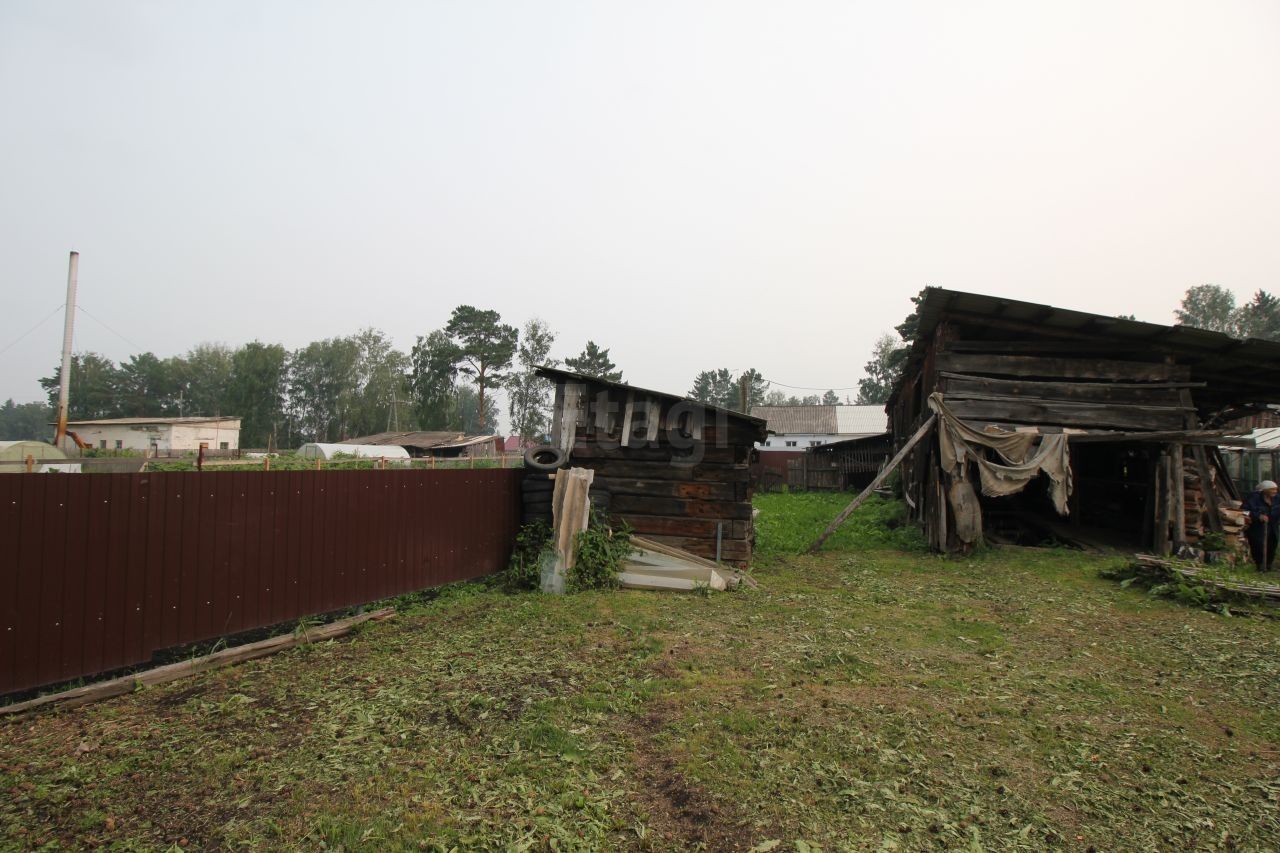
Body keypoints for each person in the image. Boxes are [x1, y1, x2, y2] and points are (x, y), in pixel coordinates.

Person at [1242, 479, 1280, 571]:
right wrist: (1258, 516)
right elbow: (1244, 511)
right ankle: (1260, 565)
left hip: (1272, 526)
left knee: (1272, 544)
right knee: (1258, 545)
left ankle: (1268, 565)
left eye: (1275, 489)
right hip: (1257, 528)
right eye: (1272, 489)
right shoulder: (1254, 498)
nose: (1275, 491)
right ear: (1264, 490)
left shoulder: (1277, 498)